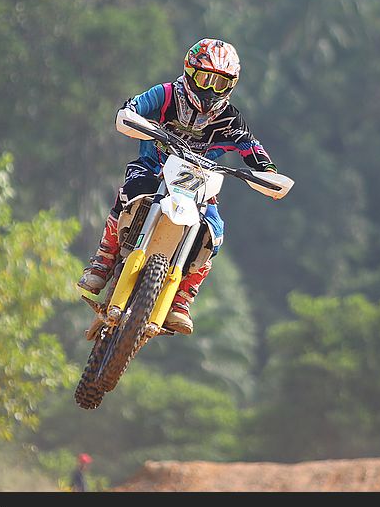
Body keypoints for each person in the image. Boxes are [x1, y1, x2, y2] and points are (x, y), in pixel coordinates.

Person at [78, 39, 278, 335]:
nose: (210, 89)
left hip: (199, 188)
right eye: (205, 78)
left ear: (231, 86)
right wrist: (131, 116)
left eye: (220, 83)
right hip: (153, 169)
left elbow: (253, 149)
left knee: (215, 232)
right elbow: (133, 107)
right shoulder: (167, 95)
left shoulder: (229, 119)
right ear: (189, 71)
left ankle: (182, 297)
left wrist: (268, 172)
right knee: (130, 192)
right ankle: (104, 258)